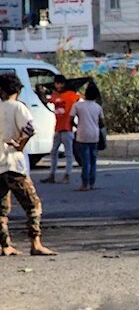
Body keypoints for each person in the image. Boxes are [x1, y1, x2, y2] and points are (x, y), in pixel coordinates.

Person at [0, 73, 55, 256]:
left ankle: (5, 245)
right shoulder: (18, 107)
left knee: (1, 208)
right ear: (17, 90)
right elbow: (30, 128)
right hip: (13, 164)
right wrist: (20, 144)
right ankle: (35, 242)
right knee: (33, 205)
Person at [42, 75, 79, 184]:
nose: (58, 85)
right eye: (57, 83)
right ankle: (52, 175)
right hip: (58, 128)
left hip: (67, 128)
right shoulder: (55, 95)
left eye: (60, 83)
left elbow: (79, 99)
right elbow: (46, 100)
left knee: (68, 153)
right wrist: (41, 92)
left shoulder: (71, 95)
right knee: (53, 152)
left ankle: (67, 175)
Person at [68, 82, 104, 192]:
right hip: (95, 135)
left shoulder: (78, 105)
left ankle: (84, 184)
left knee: (85, 161)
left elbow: (70, 119)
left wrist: (77, 126)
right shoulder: (98, 107)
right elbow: (102, 123)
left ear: (85, 94)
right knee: (93, 161)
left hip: (82, 134)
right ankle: (92, 183)